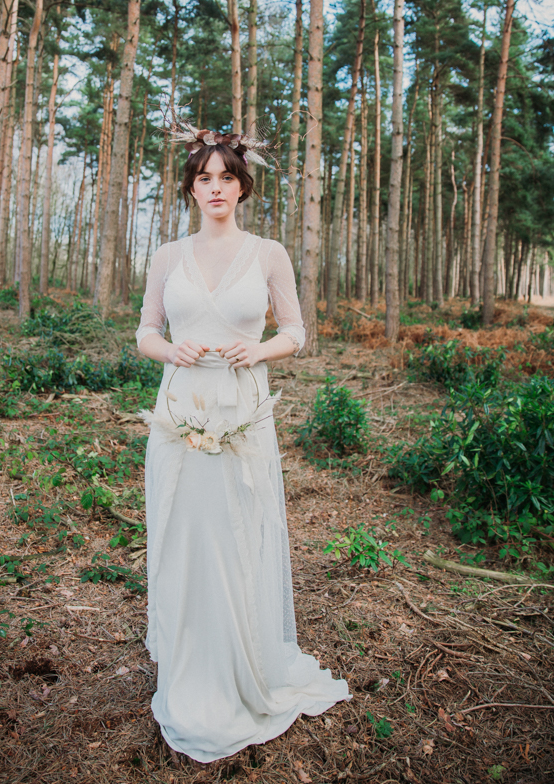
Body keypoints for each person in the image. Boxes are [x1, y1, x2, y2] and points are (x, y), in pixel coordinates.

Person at [136, 126, 351, 764]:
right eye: (204, 178)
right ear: (190, 188)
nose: (216, 188)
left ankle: (241, 663)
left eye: (226, 177)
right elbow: (145, 331)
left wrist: (255, 350)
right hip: (179, 409)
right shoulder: (168, 256)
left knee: (237, 534)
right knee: (184, 534)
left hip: (241, 409)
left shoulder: (268, 253)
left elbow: (296, 331)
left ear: (243, 185)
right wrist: (169, 348)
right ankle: (189, 666)